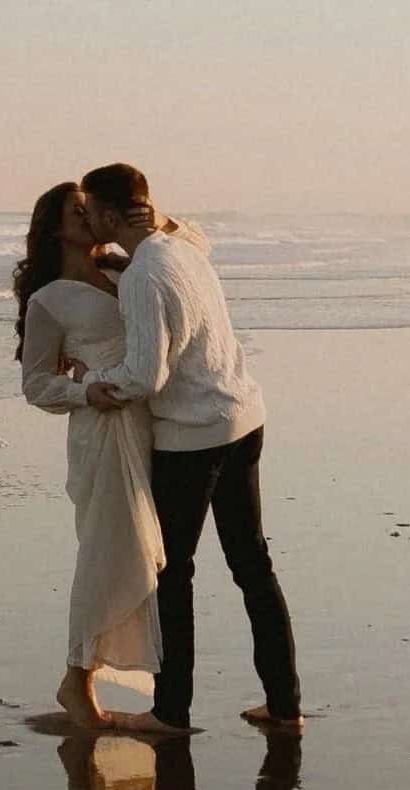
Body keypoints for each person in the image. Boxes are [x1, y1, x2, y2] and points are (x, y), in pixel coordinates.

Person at [76, 163, 303, 736]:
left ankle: (171, 712)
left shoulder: (142, 279)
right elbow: (189, 238)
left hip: (193, 438)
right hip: (243, 417)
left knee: (174, 573)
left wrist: (96, 386)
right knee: (252, 564)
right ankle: (285, 705)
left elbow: (147, 374)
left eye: (89, 211)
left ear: (107, 215)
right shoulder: (181, 249)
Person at [14, 183, 208, 730]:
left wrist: (151, 216)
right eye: (78, 212)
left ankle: (117, 672)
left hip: (154, 423)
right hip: (102, 430)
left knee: (148, 554)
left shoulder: (131, 270)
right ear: (57, 228)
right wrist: (85, 390)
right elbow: (35, 385)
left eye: (92, 209)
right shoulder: (48, 299)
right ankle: (77, 678)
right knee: (105, 552)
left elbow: (194, 245)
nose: (90, 218)